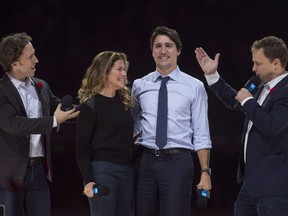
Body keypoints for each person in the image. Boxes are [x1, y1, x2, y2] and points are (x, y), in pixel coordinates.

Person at [195, 36, 288, 215]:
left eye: (258, 63)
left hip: (274, 188)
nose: (253, 68)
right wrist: (212, 75)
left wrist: (249, 101)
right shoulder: (258, 84)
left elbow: (272, 125)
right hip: (250, 184)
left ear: (276, 63)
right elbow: (236, 100)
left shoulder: (285, 91)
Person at [131, 26, 212, 216]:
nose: (163, 51)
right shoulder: (139, 85)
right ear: (152, 52)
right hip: (144, 161)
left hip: (178, 162)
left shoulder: (195, 86)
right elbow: (133, 123)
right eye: (158, 46)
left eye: (168, 45)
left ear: (178, 50)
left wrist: (205, 172)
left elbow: (201, 132)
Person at [0, 32, 79, 216]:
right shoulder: (1, 91)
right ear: (14, 63)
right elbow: (13, 124)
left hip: (39, 172)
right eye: (30, 57)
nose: (37, 60)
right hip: (9, 177)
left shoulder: (41, 86)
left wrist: (94, 110)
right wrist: (53, 121)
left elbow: (62, 110)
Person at [76, 51, 134, 216]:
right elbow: (82, 146)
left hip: (126, 171)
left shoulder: (125, 103)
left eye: (125, 70)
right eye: (119, 69)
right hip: (103, 171)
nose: (124, 74)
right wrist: (88, 180)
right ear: (105, 71)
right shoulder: (90, 105)